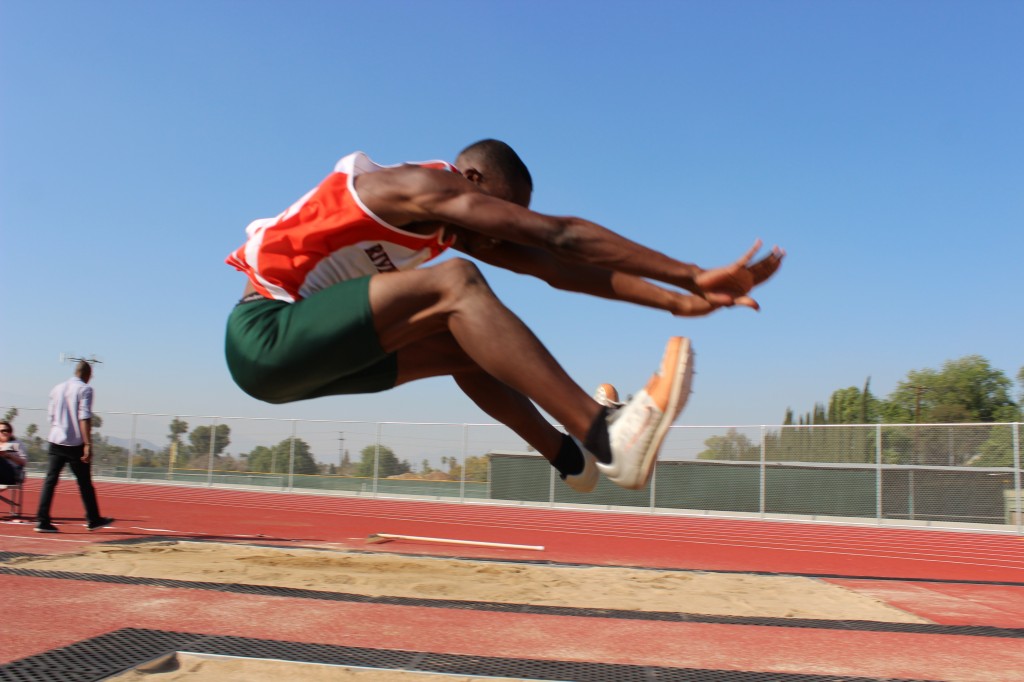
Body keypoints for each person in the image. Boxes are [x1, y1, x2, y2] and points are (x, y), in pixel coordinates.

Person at [225, 140, 783, 493]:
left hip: (311, 360)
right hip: (265, 334)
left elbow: (556, 266)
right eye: (502, 212)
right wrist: (687, 271)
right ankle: (604, 433)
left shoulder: (448, 224)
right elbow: (558, 233)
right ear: (471, 182)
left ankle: (571, 457)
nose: (500, 230)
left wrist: (680, 301)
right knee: (457, 284)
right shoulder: (416, 187)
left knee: (467, 335)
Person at [35, 361, 114, 532]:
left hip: (55, 440)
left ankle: (42, 520)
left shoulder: (57, 389)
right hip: (74, 443)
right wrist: (87, 444)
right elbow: (84, 417)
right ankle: (93, 519)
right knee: (85, 483)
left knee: (50, 481)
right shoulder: (85, 389)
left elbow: (51, 416)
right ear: (87, 374)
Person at [0, 421, 27, 486]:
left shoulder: (16, 443)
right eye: (2, 431)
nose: (5, 432)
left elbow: (24, 462)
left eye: (8, 430)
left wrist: (9, 456)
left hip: (11, 474)